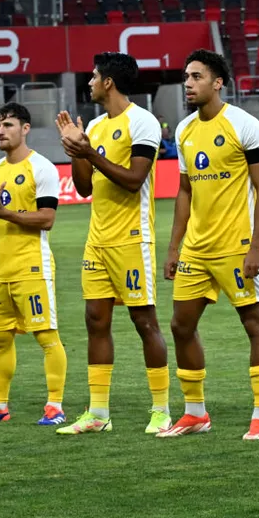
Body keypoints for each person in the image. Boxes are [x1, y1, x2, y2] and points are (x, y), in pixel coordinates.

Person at [159, 49, 259, 440]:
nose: (188, 83)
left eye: (196, 77)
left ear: (217, 83)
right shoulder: (184, 130)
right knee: (180, 325)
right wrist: (174, 247)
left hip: (236, 246)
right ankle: (195, 412)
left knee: (254, 324)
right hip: (196, 248)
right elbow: (184, 192)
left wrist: (256, 246)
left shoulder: (245, 125)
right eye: (186, 77)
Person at [53, 52, 172, 435]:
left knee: (144, 321)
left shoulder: (143, 122)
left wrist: (88, 151)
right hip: (98, 240)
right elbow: (85, 187)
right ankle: (98, 413)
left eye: (92, 76)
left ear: (109, 82)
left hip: (132, 239)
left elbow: (134, 178)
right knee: (95, 321)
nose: (87, 82)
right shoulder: (99, 126)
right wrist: (76, 150)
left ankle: (161, 410)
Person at [0, 103, 68, 426]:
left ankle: (55, 406)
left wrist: (2, 211)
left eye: (8, 124)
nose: (0, 130)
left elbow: (47, 220)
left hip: (31, 266)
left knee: (46, 337)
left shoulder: (43, 169)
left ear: (25, 128)